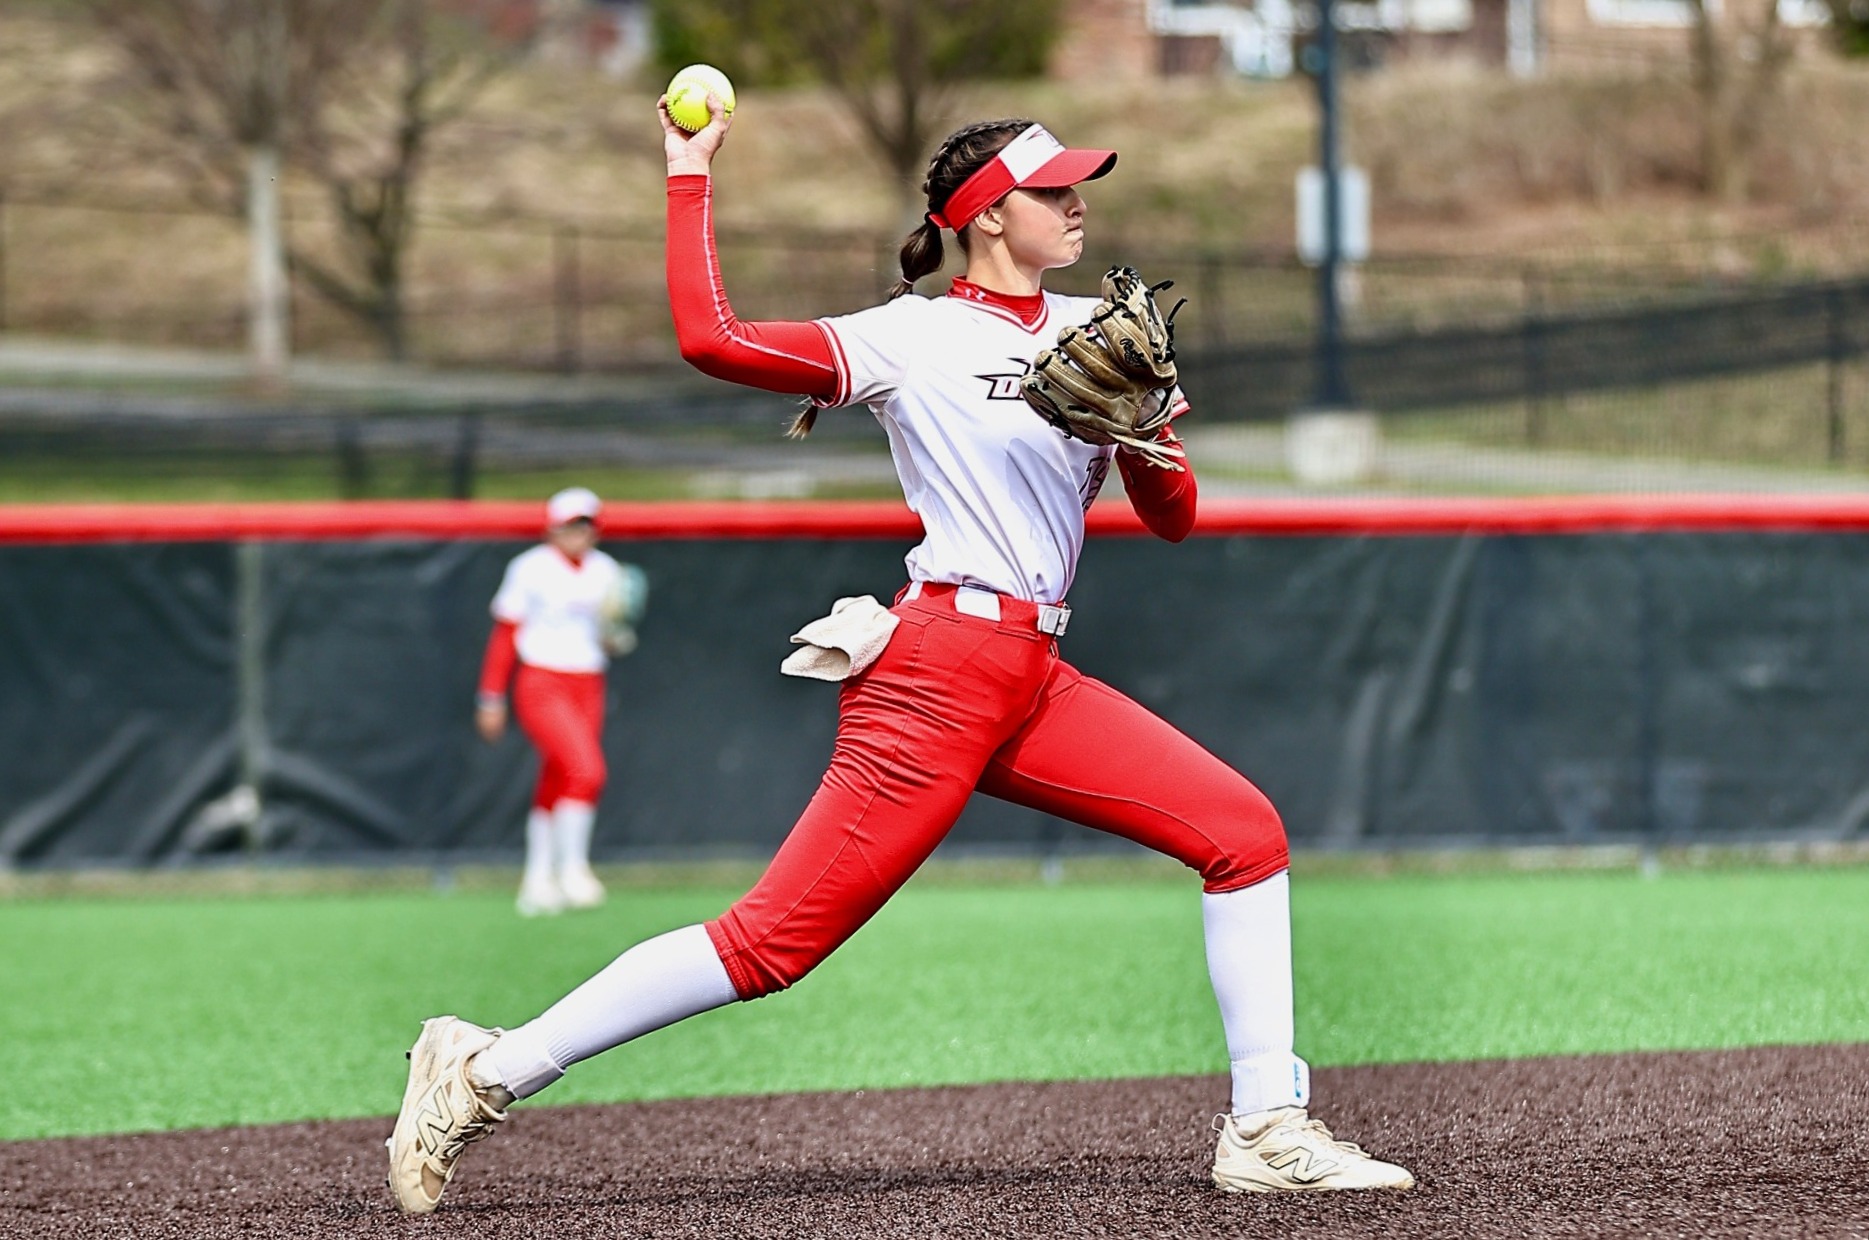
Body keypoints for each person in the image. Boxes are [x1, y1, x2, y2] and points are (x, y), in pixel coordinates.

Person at [386, 95, 1413, 1215]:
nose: (1076, 204)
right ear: (984, 217)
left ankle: (1266, 1122)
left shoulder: (1096, 331)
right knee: (773, 942)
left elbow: (1172, 517)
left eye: (1077, 187)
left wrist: (1146, 423)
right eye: (1052, 191)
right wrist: (691, 178)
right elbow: (711, 341)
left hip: (1033, 673)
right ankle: (484, 1070)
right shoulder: (909, 337)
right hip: (935, 670)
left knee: (1243, 835)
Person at [475, 486, 646, 917]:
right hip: (541, 680)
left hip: (588, 680)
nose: (579, 533)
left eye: (586, 524)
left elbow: (608, 635)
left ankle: (536, 880)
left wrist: (617, 635)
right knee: (585, 770)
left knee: (558, 777)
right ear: (552, 528)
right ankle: (572, 869)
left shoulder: (606, 571)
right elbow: (505, 633)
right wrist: (491, 696)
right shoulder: (530, 568)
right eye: (571, 524)